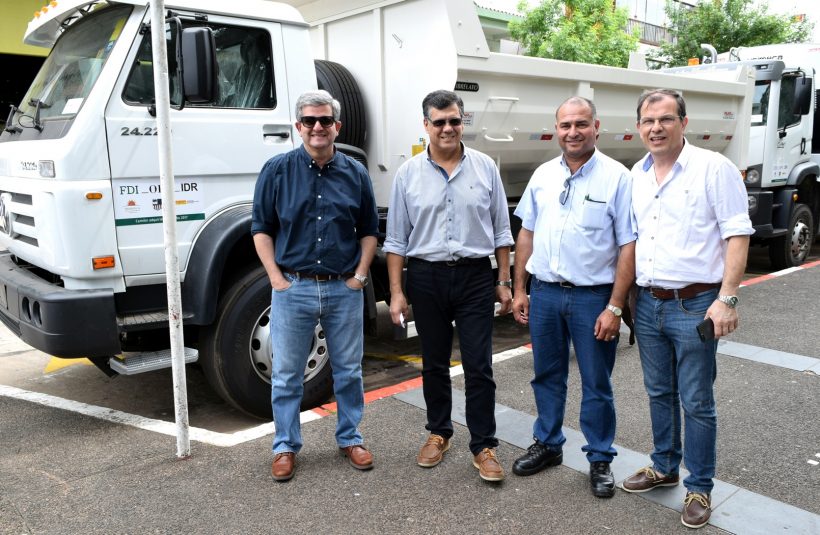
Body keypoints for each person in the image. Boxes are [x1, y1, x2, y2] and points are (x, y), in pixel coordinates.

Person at [621, 89, 753, 529]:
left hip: (695, 304)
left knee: (696, 400)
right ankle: (664, 466)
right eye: (648, 121)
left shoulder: (713, 168)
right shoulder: (637, 174)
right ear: (638, 127)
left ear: (683, 122)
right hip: (649, 303)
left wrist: (727, 298)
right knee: (658, 392)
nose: (656, 128)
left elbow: (737, 233)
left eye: (665, 119)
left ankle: (699, 486)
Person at [384, 89, 514, 482]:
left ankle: (483, 445)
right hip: (426, 277)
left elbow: (502, 231)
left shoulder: (485, 167)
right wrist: (396, 292)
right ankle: (439, 432)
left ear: (462, 121)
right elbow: (396, 240)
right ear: (426, 125)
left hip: (475, 277)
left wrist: (503, 281)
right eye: (439, 122)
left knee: (479, 365)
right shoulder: (408, 174)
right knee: (435, 362)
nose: (447, 128)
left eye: (454, 120)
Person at [510, 96, 636, 498]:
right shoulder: (543, 175)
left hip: (593, 298)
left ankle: (599, 457)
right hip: (545, 293)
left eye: (581, 124)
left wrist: (615, 306)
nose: (573, 132)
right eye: (565, 125)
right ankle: (548, 444)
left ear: (596, 127)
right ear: (556, 129)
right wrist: (520, 289)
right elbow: (527, 233)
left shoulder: (618, 178)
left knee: (596, 382)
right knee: (547, 375)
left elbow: (628, 245)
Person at [251, 90, 379, 482]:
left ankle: (350, 438)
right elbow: (261, 229)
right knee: (287, 375)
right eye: (309, 120)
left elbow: (369, 231)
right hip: (294, 288)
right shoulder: (277, 170)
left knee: (349, 372)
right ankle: (285, 446)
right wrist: (277, 279)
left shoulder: (356, 173)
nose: (317, 127)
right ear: (298, 126)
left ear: (337, 126)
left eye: (325, 120)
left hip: (343, 289)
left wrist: (359, 277)